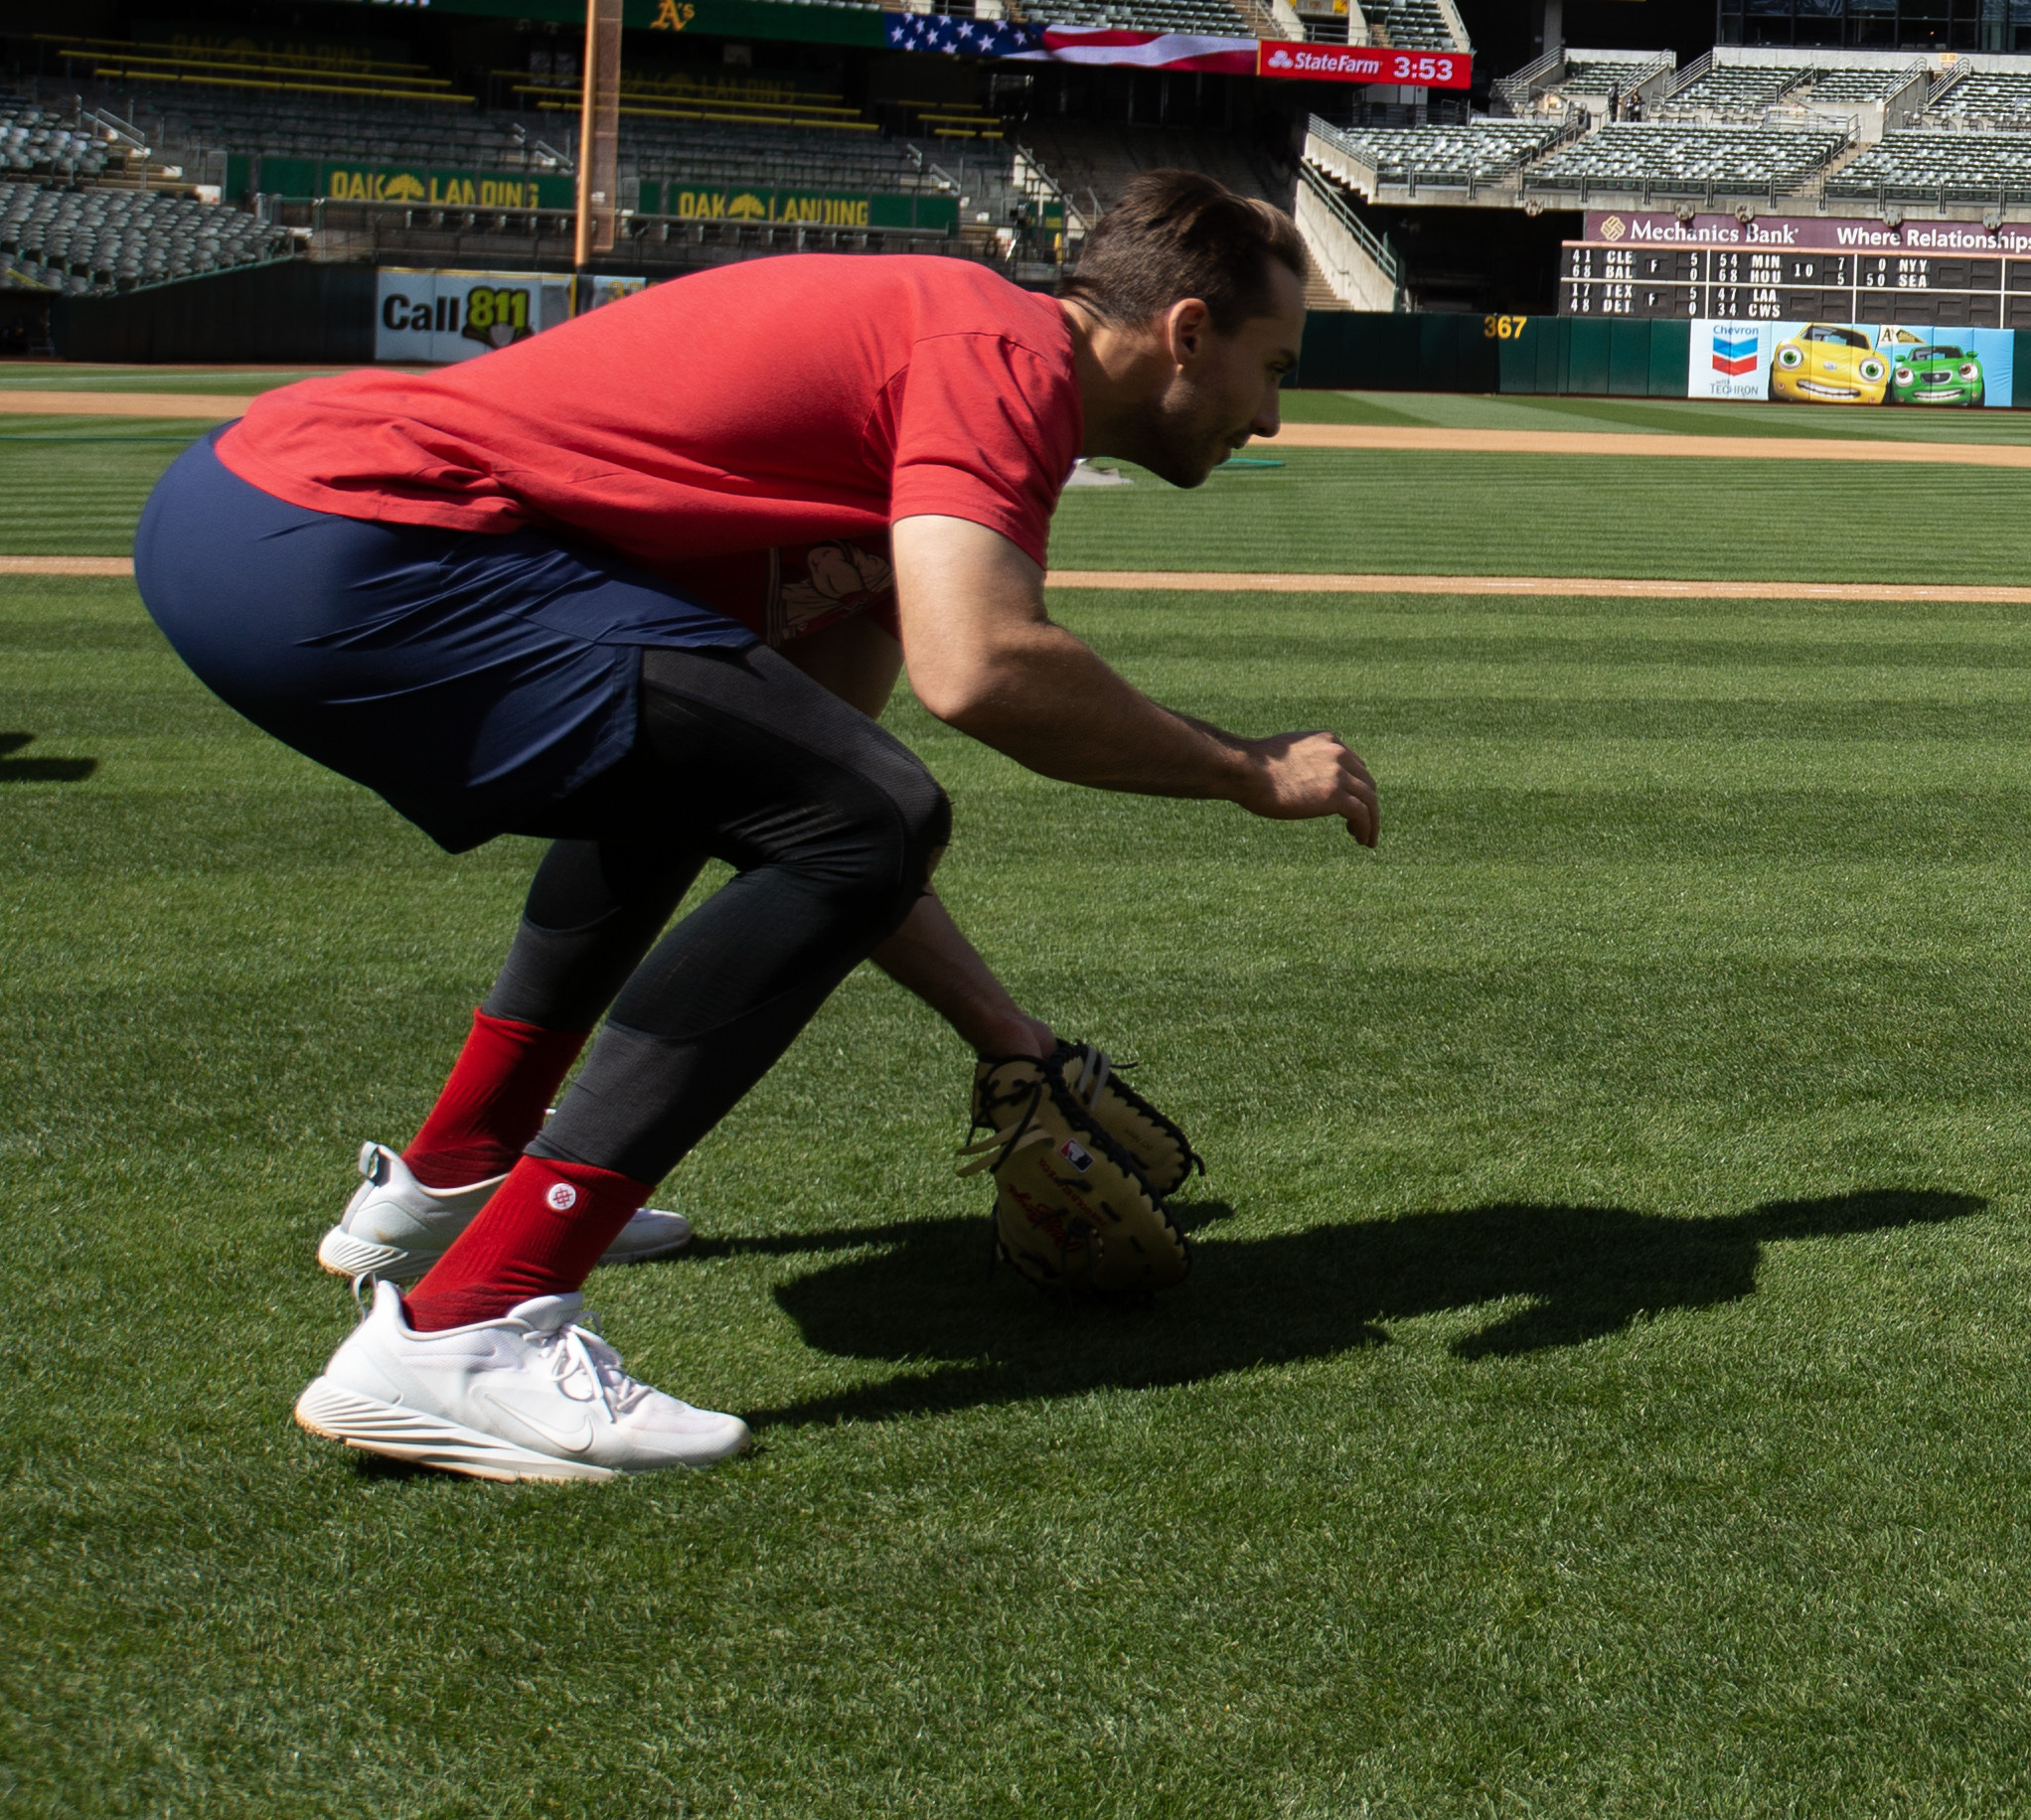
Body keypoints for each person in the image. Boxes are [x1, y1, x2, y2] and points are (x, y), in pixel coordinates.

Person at [134, 174, 1378, 1478]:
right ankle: (469, 1328)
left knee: (725, 781)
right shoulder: (1002, 353)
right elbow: (981, 669)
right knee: (856, 803)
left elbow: (800, 801)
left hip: (248, 513)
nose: (1273, 413)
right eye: (1271, 365)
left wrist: (1008, 1040)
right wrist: (1249, 768)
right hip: (346, 535)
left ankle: (454, 1180)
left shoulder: (941, 393)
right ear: (1186, 333)